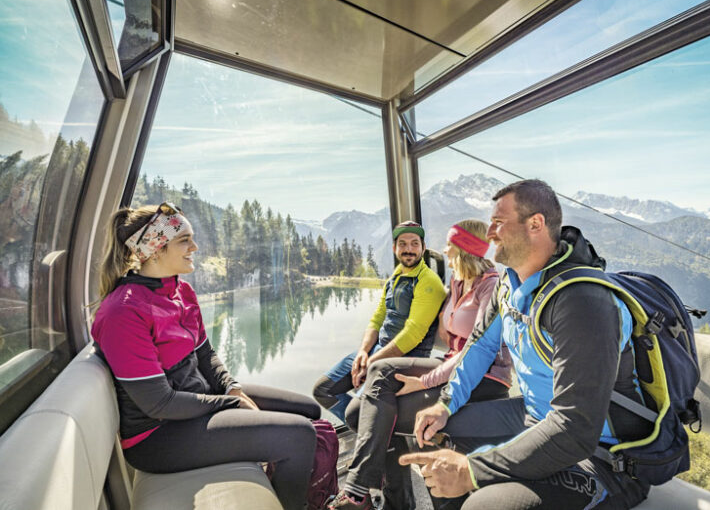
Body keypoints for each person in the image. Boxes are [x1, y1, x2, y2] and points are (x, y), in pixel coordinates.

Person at [401, 180, 651, 510]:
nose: (489, 233)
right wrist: (444, 405)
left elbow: (574, 429)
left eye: (499, 222)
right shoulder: (509, 285)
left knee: (483, 507)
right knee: (429, 429)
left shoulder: (582, 302)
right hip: (533, 418)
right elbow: (479, 346)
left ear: (535, 224)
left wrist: (472, 470)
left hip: (602, 457)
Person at [91, 202, 320, 510]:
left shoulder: (180, 292)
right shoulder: (123, 313)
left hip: (195, 402)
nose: (195, 247)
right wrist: (231, 403)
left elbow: (205, 354)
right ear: (155, 249)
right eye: (184, 239)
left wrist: (231, 387)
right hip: (158, 436)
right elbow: (159, 403)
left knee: (310, 410)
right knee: (298, 436)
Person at [328, 220, 513, 510]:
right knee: (356, 412)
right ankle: (395, 499)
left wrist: (426, 381)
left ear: (464, 248)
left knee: (379, 388)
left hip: (485, 377)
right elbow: (450, 339)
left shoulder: (490, 286)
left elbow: (478, 353)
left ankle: (358, 489)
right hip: (452, 363)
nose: (444, 248)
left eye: (450, 243)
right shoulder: (458, 281)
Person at [313, 221, 447, 422]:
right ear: (394, 248)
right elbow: (377, 319)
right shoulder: (396, 276)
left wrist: (373, 362)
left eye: (414, 244)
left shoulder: (428, 281)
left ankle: (375, 432)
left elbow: (413, 333)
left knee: (356, 415)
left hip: (405, 358)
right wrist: (363, 352)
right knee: (323, 390)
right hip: (378, 349)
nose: (408, 249)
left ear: (423, 248)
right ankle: (373, 430)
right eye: (402, 244)